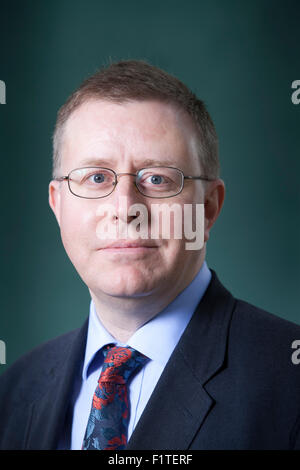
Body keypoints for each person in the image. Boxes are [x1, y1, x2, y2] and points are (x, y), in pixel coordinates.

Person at [0, 60, 299, 451]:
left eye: (157, 179)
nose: (126, 208)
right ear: (57, 205)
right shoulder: (15, 391)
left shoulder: (288, 383)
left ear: (208, 208)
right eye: (96, 177)